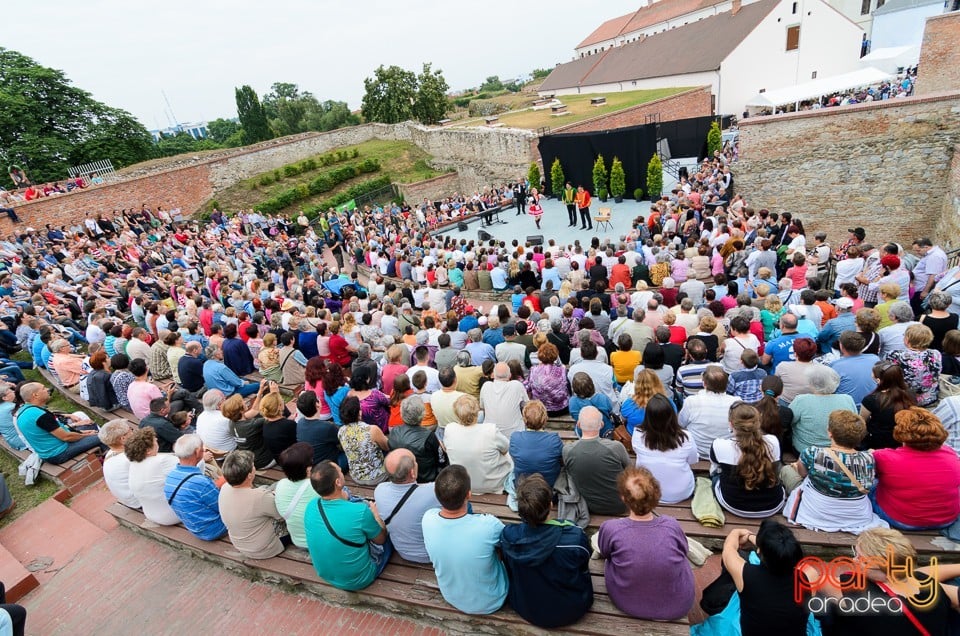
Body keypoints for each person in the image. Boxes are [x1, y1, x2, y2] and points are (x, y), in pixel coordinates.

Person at [808, 527, 953, 634]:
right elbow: (920, 575)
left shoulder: (847, 587)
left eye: (860, 558)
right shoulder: (931, 587)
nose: (853, 560)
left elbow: (811, 576)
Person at [597, 467, 695, 621]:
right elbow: (684, 550)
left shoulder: (611, 528)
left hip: (628, 603)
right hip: (677, 605)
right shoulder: (671, 525)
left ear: (623, 498)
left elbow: (605, 552)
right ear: (656, 495)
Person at [498, 473, 593, 628]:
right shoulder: (573, 537)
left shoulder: (509, 536)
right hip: (572, 608)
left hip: (526, 607)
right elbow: (584, 561)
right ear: (550, 505)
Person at [421, 465, 508, 615]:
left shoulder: (428, 518)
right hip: (492, 600)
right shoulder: (489, 525)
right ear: (469, 494)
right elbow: (506, 542)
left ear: (436, 495)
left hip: (451, 596)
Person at [784, 410, 886, 533]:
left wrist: (797, 466)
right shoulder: (869, 458)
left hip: (815, 513)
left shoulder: (813, 452)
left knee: (786, 470)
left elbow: (803, 474)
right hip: (857, 517)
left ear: (830, 433)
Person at [303, 460, 391, 591]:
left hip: (326, 574)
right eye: (340, 471)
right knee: (390, 534)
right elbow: (381, 539)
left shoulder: (311, 506)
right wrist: (376, 515)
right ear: (338, 482)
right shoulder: (360, 511)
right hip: (360, 579)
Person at [871, 407, 960, 530]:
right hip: (946, 519)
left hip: (902, 520)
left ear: (901, 432)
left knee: (871, 485)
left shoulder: (884, 457)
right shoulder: (950, 454)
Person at [720, 522, 809, 636]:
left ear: (759, 550)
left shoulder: (746, 575)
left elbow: (728, 550)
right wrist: (756, 540)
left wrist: (738, 532)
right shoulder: (808, 576)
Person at [711, 403, 786, 518]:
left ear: (731, 424)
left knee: (715, 475)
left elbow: (714, 469)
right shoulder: (773, 441)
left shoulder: (719, 445)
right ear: (758, 423)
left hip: (733, 505)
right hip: (772, 505)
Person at [373, 449, 442, 564]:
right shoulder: (433, 491)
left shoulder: (380, 490)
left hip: (402, 552)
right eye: (415, 462)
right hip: (432, 554)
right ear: (412, 473)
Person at [218, 449, 285, 559]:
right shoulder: (260, 497)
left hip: (241, 544)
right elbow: (281, 516)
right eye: (253, 466)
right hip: (265, 549)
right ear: (249, 475)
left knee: (272, 488)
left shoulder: (225, 488)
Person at [563, 406, 630, 515]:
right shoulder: (616, 447)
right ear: (601, 425)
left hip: (587, 507)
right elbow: (630, 471)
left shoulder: (567, 450)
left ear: (578, 425)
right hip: (619, 505)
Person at [632, 394, 698, 503]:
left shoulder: (638, 434)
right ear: (672, 415)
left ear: (648, 416)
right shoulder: (686, 437)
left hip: (647, 491)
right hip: (680, 492)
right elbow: (693, 460)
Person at [16, 382, 104, 464]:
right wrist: (85, 435)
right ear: (36, 395)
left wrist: (82, 433)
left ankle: (102, 457)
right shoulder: (39, 415)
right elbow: (66, 437)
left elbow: (57, 431)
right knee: (106, 436)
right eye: (43, 388)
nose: (47, 389)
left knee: (88, 426)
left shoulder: (23, 412)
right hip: (59, 452)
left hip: (51, 450)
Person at [443, 395, 512, 494]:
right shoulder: (490, 430)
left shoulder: (450, 430)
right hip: (494, 485)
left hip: (464, 484)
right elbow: (506, 449)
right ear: (477, 411)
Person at [163, 434, 227, 541]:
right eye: (202, 449)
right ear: (197, 452)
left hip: (194, 528)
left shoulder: (170, 477)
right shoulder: (200, 482)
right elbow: (222, 506)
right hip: (214, 529)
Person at [789, 365, 857, 453]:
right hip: (838, 449)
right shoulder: (847, 399)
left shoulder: (801, 400)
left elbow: (790, 420)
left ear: (811, 383)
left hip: (806, 450)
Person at [679, 366, 739, 459]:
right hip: (723, 452)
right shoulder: (736, 402)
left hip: (705, 452)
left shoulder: (691, 401)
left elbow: (681, 424)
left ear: (704, 384)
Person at [125, 427, 180, 525]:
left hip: (150, 513)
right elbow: (190, 469)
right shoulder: (162, 461)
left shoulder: (133, 464)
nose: (157, 441)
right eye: (155, 441)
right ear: (148, 450)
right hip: (172, 515)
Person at [388, 395, 446, 483]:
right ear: (422, 415)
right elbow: (442, 460)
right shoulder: (429, 436)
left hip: (403, 476)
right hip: (426, 478)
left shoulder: (394, 432)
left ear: (402, 414)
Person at [273, 442, 320, 550]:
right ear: (308, 469)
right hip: (319, 542)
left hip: (298, 541)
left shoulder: (281, 484)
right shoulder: (317, 486)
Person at [859, 361, 915, 450]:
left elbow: (862, 420)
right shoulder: (910, 394)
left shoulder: (871, 399)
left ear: (878, 380)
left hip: (878, 443)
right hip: (903, 439)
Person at [509, 400, 564, 488]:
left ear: (524, 419)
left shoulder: (515, 438)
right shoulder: (554, 440)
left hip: (523, 491)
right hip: (549, 489)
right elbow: (562, 461)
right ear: (545, 418)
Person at [337, 396, 389, 486]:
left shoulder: (341, 431)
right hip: (378, 477)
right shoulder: (372, 429)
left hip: (356, 476)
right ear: (359, 413)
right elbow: (387, 446)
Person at [889, 323, 942, 407]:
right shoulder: (935, 354)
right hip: (930, 398)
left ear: (907, 340)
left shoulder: (895, 355)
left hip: (905, 400)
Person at [479, 362, 528, 440]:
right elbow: (527, 406)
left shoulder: (486, 386)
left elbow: (482, 407)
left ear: (493, 375)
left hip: (491, 435)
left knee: (480, 415)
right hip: (514, 434)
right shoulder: (517, 385)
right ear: (509, 375)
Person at [99, 419, 139, 509]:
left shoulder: (110, 453)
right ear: (123, 439)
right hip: (138, 501)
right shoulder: (129, 458)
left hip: (128, 499)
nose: (133, 432)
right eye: (131, 430)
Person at [620, 369, 674, 436]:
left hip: (633, 439)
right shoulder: (669, 403)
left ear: (637, 385)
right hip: (662, 440)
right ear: (658, 383)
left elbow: (623, 419)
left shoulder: (628, 404)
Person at [523, 343, 568, 416]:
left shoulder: (534, 370)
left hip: (540, 409)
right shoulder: (562, 369)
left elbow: (526, 387)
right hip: (561, 409)